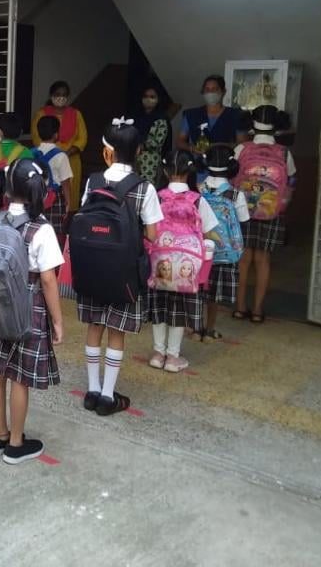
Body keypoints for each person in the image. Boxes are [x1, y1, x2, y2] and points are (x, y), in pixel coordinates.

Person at [0, 158, 64, 464]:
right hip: (28, 306)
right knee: (19, 377)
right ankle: (15, 443)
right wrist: (57, 321)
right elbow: (48, 280)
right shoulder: (42, 229)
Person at [78, 119, 163, 417]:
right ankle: (107, 396)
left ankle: (91, 390)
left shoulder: (93, 182)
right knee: (116, 332)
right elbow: (152, 234)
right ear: (138, 151)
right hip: (124, 272)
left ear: (107, 152)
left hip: (92, 268)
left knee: (94, 327)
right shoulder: (144, 188)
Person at [145, 151, 219, 373]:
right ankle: (173, 357)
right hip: (186, 266)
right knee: (178, 309)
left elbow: (147, 229)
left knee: (159, 306)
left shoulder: (157, 197)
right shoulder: (197, 199)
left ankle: (158, 353)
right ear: (190, 171)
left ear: (165, 170)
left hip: (158, 262)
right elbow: (209, 231)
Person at [234, 105, 297, 324]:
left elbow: (231, 177)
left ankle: (240, 307)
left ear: (251, 124)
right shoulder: (285, 153)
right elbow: (291, 180)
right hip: (272, 212)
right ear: (277, 125)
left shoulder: (241, 149)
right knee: (263, 260)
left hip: (243, 211)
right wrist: (282, 205)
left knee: (243, 259)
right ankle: (258, 310)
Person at [198, 145, 249, 340]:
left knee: (196, 289)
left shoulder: (198, 189)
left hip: (198, 249)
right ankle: (210, 329)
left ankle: (195, 328)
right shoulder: (236, 195)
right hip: (224, 253)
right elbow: (244, 220)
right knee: (214, 295)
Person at [32, 81, 89, 209]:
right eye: (57, 94)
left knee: (70, 191)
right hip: (47, 158)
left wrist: (68, 152)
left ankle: (68, 212)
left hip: (72, 159)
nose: (61, 97)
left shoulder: (76, 114)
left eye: (64, 95)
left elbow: (83, 138)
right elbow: (37, 137)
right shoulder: (41, 114)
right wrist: (55, 152)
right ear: (51, 95)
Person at [177, 75, 247, 153]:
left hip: (226, 158)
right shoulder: (191, 115)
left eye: (215, 89)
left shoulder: (235, 115)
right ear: (203, 92)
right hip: (198, 158)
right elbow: (180, 141)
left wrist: (222, 146)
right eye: (207, 89)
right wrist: (193, 148)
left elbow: (242, 144)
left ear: (223, 92)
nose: (210, 92)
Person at [34, 115, 73, 245]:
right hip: (54, 199)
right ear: (56, 134)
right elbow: (65, 182)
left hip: (35, 196)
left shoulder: (32, 153)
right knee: (54, 233)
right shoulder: (61, 156)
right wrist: (68, 202)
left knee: (36, 228)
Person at [131, 82, 172, 183]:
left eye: (152, 97)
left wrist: (141, 144)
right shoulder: (136, 117)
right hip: (133, 159)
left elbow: (157, 143)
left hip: (150, 162)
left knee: (147, 187)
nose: (148, 99)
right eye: (145, 96)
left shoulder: (161, 119)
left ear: (158, 99)